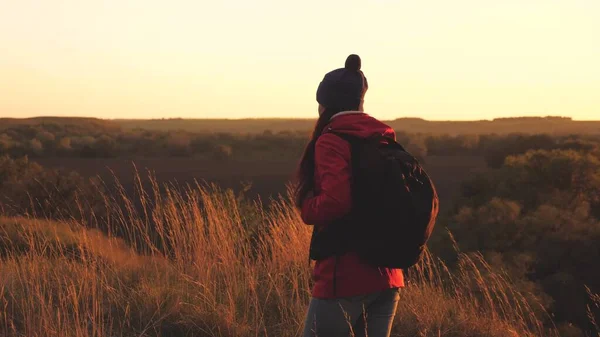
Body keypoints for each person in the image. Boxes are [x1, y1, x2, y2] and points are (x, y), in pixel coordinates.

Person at [295, 54, 404, 337]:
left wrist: (307, 207)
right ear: (360, 101)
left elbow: (336, 201)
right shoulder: (382, 138)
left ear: (325, 103)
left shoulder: (333, 139)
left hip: (344, 276)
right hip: (388, 275)